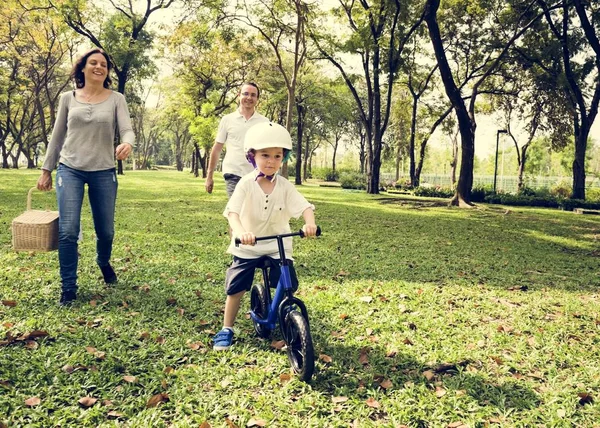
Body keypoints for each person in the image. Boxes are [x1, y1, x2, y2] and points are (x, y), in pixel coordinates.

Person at [36, 48, 135, 305]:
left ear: (107, 71)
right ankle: (68, 287)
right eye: (93, 63)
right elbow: (57, 136)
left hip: (103, 170)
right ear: (83, 68)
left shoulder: (116, 99)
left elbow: (127, 130)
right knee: (68, 231)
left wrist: (127, 144)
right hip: (70, 169)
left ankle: (103, 261)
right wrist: (47, 170)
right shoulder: (68, 98)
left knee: (106, 231)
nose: (98, 67)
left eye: (103, 64)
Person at [213, 122, 318, 351]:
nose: (271, 161)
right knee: (236, 287)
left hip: (277, 245)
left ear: (284, 158)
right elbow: (233, 213)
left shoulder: (284, 186)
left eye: (277, 156)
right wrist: (241, 232)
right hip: (248, 245)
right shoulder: (246, 184)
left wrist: (309, 223)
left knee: (287, 281)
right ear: (252, 156)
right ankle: (227, 328)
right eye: (265, 155)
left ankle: (286, 310)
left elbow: (305, 207)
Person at [205, 82, 269, 197]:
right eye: (246, 94)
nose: (249, 98)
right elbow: (217, 148)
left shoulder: (264, 122)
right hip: (233, 173)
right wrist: (209, 176)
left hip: (256, 175)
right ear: (239, 95)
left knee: (252, 213)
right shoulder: (227, 120)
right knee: (236, 210)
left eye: (253, 95)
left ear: (257, 98)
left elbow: (269, 151)